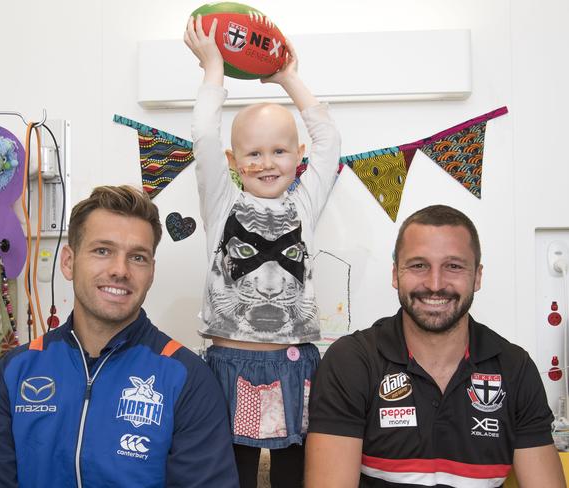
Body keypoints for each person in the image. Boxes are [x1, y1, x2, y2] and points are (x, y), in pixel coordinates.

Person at [0, 185, 238, 488]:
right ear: (68, 262)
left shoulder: (187, 380)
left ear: (151, 272)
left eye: (138, 257)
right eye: (102, 251)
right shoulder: (14, 373)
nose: (120, 270)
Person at [184, 14, 341, 488]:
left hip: (295, 366)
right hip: (230, 368)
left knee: (296, 475)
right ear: (234, 162)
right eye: (253, 153)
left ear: (298, 157)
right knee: (230, 477)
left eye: (279, 151)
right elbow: (204, 136)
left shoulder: (304, 203)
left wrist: (288, 77)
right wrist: (215, 71)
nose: (267, 163)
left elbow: (329, 139)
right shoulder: (223, 200)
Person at [305, 204, 566, 487]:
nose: (435, 284)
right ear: (395, 275)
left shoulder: (515, 368)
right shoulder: (351, 361)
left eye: (453, 266)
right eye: (419, 265)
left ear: (477, 276)